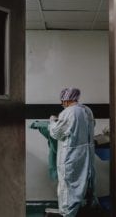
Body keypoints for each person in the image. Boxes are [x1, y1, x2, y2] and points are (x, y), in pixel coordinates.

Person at [48, 87, 99, 217]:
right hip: (86, 154)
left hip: (71, 156)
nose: (62, 103)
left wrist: (52, 122)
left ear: (66, 100)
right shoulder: (87, 110)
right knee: (86, 181)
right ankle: (86, 208)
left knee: (68, 185)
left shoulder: (68, 112)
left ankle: (67, 213)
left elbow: (57, 133)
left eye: (62, 100)